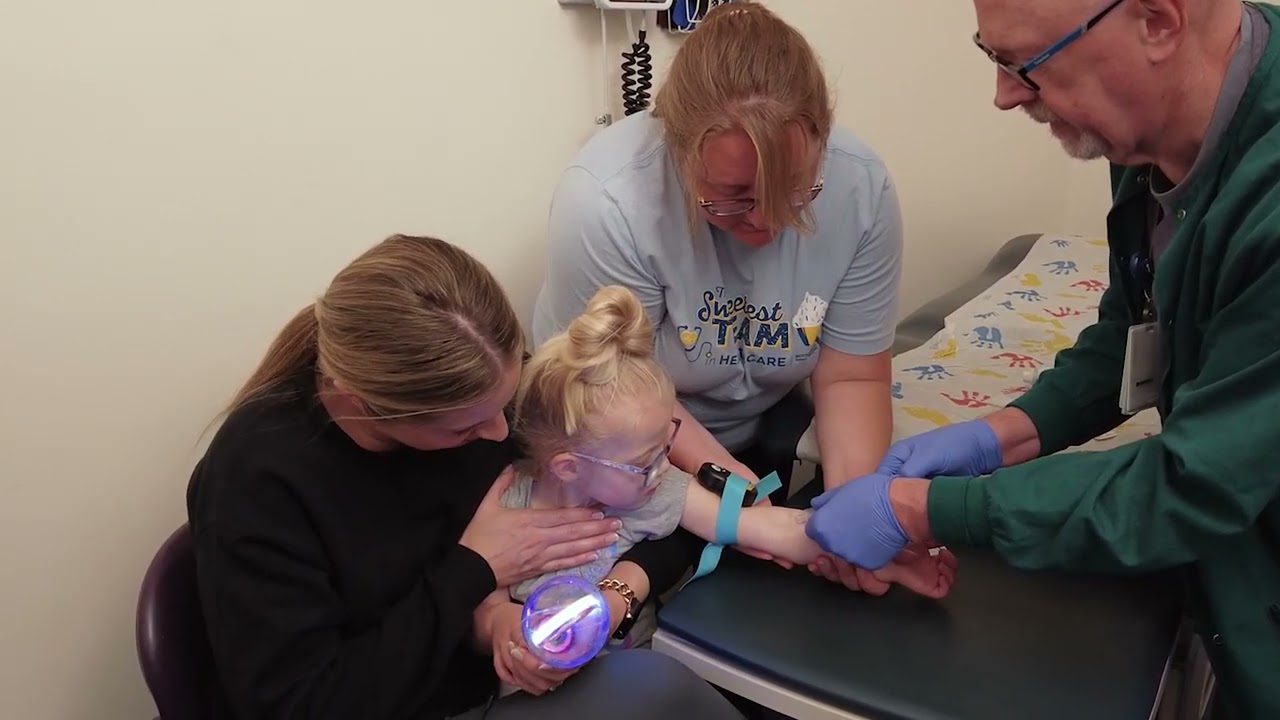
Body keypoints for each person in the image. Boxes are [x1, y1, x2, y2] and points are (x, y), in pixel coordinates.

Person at [805, 1, 1280, 717]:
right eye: (990, 56)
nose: (1004, 95)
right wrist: (1005, 433)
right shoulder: (1150, 134)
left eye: (1023, 63)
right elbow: (1138, 325)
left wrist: (925, 509)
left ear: (1157, 20)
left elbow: (1190, 482)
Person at [186, 234, 748, 719]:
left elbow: (660, 507)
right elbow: (305, 705)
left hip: (510, 678)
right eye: (465, 429)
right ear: (369, 406)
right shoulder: (260, 482)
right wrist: (474, 571)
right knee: (658, 692)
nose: (504, 435)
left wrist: (612, 595)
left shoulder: (492, 399)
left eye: (504, 405)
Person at [531, 0, 903, 592]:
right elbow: (612, 399)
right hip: (628, 452)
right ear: (677, 153)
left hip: (762, 437)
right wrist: (749, 509)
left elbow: (852, 379)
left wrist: (852, 517)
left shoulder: (863, 190)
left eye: (796, 190)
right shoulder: (607, 203)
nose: (770, 223)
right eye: (731, 198)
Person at [495, 284, 952, 674]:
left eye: (666, 445)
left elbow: (779, 529)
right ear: (568, 466)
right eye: (643, 461)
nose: (664, 469)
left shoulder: (654, 493)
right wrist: (513, 646)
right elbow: (484, 606)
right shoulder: (505, 510)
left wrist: (879, 549)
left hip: (636, 673)